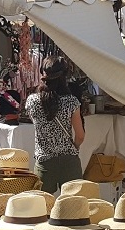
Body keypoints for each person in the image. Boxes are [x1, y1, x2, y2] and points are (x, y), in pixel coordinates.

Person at [27, 57, 85, 194]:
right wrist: (73, 147)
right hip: (68, 160)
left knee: (41, 206)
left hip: (44, 161)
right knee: (74, 207)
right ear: (64, 76)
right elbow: (80, 136)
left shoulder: (32, 101)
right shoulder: (71, 102)